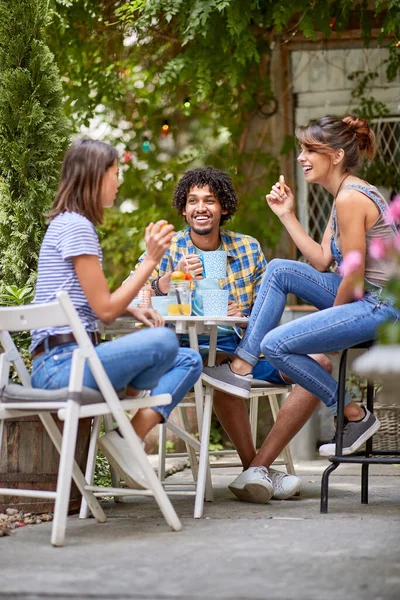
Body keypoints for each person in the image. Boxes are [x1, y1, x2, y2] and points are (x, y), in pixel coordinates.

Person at [203, 115, 400, 472]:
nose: (301, 157)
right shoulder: (342, 193)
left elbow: (353, 278)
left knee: (276, 344)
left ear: (336, 155)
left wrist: (330, 331)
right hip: (364, 296)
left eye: (310, 149)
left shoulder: (351, 199)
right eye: (302, 149)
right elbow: (323, 261)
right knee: (280, 269)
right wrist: (287, 215)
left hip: (380, 304)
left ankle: (353, 414)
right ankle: (243, 366)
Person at [136, 166, 332, 503]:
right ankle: (254, 469)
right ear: (183, 209)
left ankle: (258, 466)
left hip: (243, 348)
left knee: (321, 363)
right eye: (193, 201)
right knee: (223, 364)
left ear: (222, 207)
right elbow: (135, 294)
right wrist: (166, 281)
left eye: (209, 200)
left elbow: (266, 307)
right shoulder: (169, 247)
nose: (201, 207)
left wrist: (242, 313)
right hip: (190, 349)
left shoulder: (246, 248)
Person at [30, 138, 203, 490]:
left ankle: (127, 436)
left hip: (66, 362)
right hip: (63, 366)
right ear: (95, 177)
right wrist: (152, 259)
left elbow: (88, 298)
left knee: (189, 359)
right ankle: (129, 388)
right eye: (115, 172)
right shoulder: (77, 226)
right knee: (164, 340)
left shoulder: (68, 224)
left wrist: (132, 306)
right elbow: (104, 311)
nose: (119, 180)